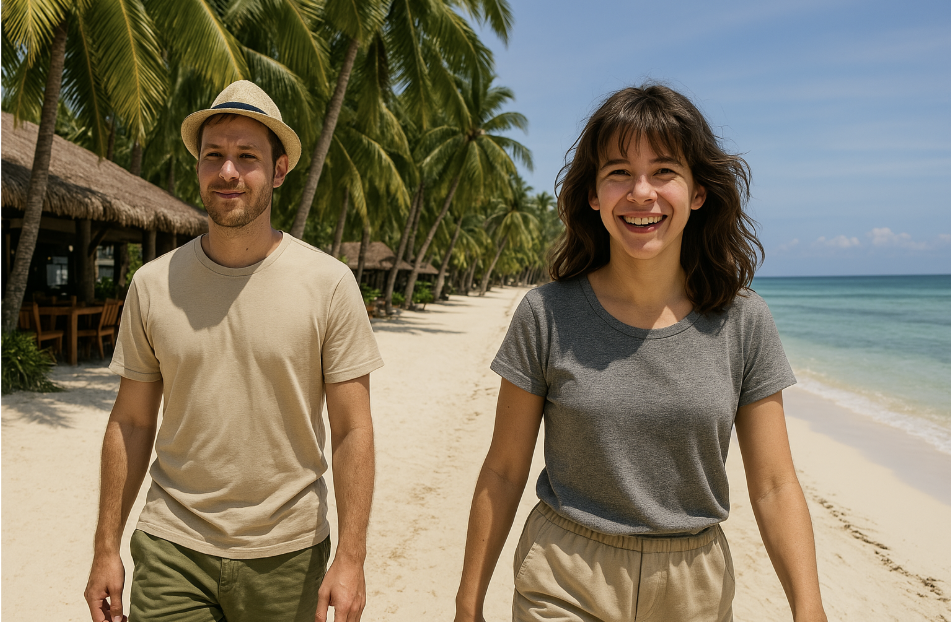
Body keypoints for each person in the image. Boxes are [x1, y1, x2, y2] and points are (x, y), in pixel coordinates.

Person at [454, 84, 828, 622]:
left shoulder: (743, 321)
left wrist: (809, 609)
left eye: (664, 171)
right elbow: (504, 470)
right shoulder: (546, 313)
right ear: (593, 194)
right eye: (619, 173)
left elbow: (774, 485)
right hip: (565, 575)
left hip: (694, 587)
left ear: (698, 192)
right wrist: (468, 604)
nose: (641, 192)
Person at [83, 80, 383, 622]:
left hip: (289, 553)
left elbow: (351, 429)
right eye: (213, 155)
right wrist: (106, 547)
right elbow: (130, 422)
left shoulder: (330, 284)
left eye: (247, 156)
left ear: (279, 170)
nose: (227, 171)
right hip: (172, 545)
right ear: (198, 166)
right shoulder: (152, 284)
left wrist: (352, 558)